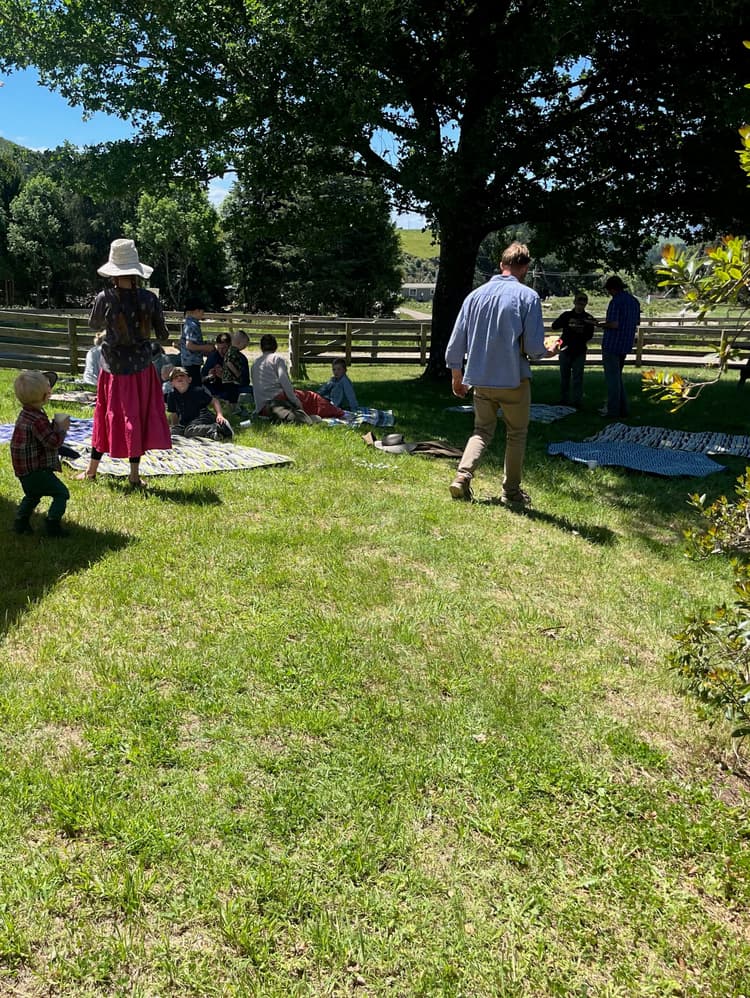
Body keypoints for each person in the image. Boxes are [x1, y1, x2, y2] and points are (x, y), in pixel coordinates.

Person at [445, 242, 558, 506]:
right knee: (516, 434)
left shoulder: (474, 296)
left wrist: (456, 376)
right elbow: (533, 348)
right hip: (513, 379)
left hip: (480, 378)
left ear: (501, 265)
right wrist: (550, 350)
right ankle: (511, 492)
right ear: (525, 268)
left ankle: (462, 476)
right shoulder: (528, 297)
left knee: (481, 430)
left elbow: (454, 344)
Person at [77, 238, 172, 487]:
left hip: (113, 370)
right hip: (141, 367)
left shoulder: (104, 297)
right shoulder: (149, 299)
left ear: (113, 272)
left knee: (106, 415)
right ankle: (134, 476)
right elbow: (163, 334)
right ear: (136, 271)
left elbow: (93, 325)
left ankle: (91, 471)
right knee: (137, 416)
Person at [10, 370, 71, 536]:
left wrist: (52, 427)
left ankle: (20, 523)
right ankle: (53, 524)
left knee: (32, 494)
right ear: (45, 397)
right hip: (37, 470)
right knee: (61, 493)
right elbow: (52, 443)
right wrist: (61, 430)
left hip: (24, 471)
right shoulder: (37, 419)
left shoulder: (26, 414)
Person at [251, 335, 345, 422]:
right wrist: (295, 400)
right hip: (277, 398)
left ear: (261, 347)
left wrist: (258, 408)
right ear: (275, 346)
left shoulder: (255, 363)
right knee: (311, 397)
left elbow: (256, 387)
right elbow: (285, 382)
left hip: (262, 407)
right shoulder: (277, 359)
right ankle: (337, 412)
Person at [597, 275, 641, 418]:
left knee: (612, 380)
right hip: (625, 343)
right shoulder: (634, 301)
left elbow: (614, 324)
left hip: (612, 344)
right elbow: (636, 322)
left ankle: (612, 411)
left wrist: (599, 324)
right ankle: (623, 409)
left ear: (612, 289)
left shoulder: (615, 302)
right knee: (618, 378)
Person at [550, 293, 596, 407]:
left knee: (578, 378)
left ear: (586, 304)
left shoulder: (588, 318)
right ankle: (564, 400)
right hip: (565, 349)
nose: (580, 306)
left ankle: (577, 401)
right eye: (578, 303)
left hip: (579, 350)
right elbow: (554, 326)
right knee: (564, 377)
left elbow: (590, 335)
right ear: (574, 302)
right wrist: (567, 322)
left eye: (583, 303)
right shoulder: (567, 315)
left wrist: (582, 331)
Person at [166, 366, 234, 439]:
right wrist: (174, 427)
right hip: (187, 422)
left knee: (189, 431)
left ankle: (219, 427)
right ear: (172, 383)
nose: (179, 377)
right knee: (173, 432)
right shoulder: (171, 396)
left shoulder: (197, 391)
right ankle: (215, 434)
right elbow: (174, 415)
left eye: (182, 375)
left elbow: (214, 401)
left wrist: (219, 415)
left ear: (189, 379)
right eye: (175, 377)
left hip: (202, 416)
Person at [179, 296, 214, 386]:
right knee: (194, 387)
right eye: (202, 311)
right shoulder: (192, 325)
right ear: (196, 310)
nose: (203, 314)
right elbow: (190, 345)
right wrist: (206, 347)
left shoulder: (189, 324)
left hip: (190, 361)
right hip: (191, 362)